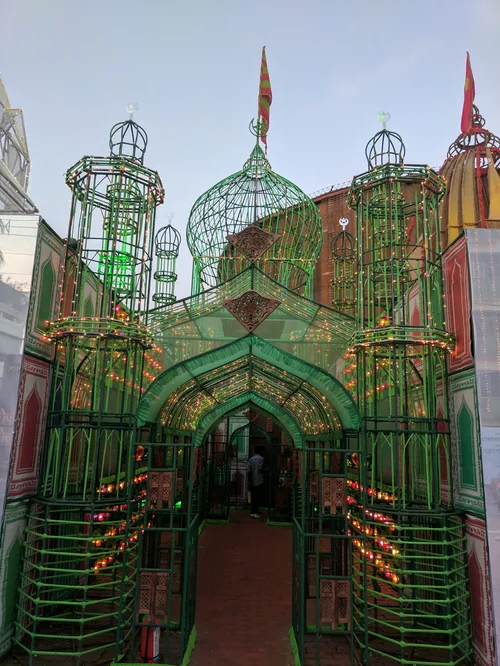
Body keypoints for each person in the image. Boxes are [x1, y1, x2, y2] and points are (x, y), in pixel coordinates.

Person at [247, 446, 265, 518]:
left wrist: (249, 480)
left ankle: (254, 510)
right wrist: (266, 469)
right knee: (258, 497)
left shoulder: (251, 459)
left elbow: (249, 471)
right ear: (260, 451)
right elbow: (260, 468)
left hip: (252, 480)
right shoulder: (261, 458)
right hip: (259, 480)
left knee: (253, 497)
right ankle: (255, 511)